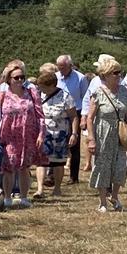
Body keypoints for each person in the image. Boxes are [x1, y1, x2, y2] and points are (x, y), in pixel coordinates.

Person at [82, 54, 127, 213]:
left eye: (120, 72)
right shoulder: (98, 92)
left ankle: (114, 196)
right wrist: (91, 139)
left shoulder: (124, 91)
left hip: (120, 133)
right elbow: (90, 118)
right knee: (102, 167)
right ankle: (103, 202)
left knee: (120, 166)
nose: (118, 76)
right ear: (105, 75)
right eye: (115, 73)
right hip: (103, 132)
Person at [0, 61, 42, 208]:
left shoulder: (31, 93)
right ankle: (7, 197)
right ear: (9, 79)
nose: (20, 80)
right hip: (9, 136)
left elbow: (40, 115)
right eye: (16, 78)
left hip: (27, 135)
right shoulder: (2, 95)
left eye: (22, 77)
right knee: (8, 167)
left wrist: (41, 134)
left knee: (25, 167)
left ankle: (24, 197)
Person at [36, 66, 76, 195]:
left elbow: (73, 116)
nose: (41, 89)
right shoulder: (39, 95)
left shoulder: (65, 96)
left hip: (60, 134)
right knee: (41, 161)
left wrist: (74, 133)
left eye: (43, 87)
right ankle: (40, 189)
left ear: (52, 85)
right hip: (43, 133)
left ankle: (57, 188)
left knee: (58, 162)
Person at [55, 55, 89, 186]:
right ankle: (54, 174)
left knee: (74, 144)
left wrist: (84, 116)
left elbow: (86, 97)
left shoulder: (80, 78)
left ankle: (74, 176)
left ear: (70, 66)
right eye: (59, 67)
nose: (61, 70)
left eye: (63, 67)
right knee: (58, 142)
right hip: (59, 112)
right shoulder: (56, 77)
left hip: (76, 112)